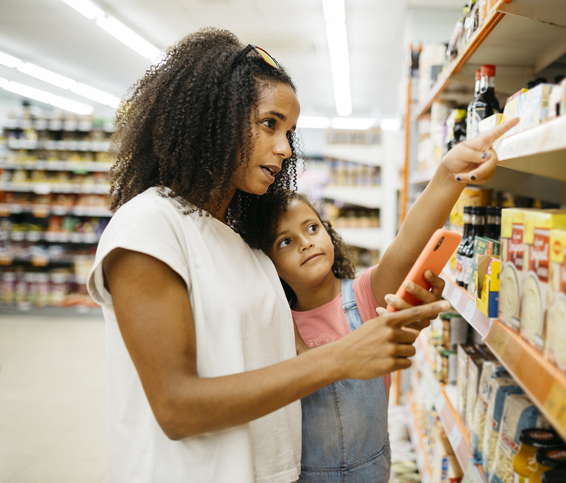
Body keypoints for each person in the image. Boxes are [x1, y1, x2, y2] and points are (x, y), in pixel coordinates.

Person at [86, 28, 451, 483]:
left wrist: (384, 331)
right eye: (269, 124)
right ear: (215, 118)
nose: (284, 148)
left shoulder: (246, 250)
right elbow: (176, 407)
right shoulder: (149, 226)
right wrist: (344, 356)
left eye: (289, 132)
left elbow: (296, 367)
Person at [242, 117, 519, 481]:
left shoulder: (364, 295)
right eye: (285, 242)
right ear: (269, 265)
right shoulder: (278, 321)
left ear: (328, 231)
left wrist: (447, 175)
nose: (306, 242)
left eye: (311, 228)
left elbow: (407, 244)